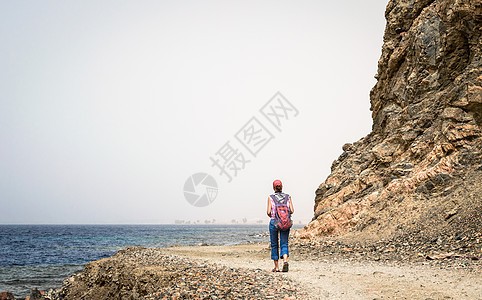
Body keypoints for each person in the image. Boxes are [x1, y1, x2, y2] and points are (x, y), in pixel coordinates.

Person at [267, 179, 294, 272]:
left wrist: (274, 216)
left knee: (274, 244)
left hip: (274, 222)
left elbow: (268, 212)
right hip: (285, 222)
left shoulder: (271, 197)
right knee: (284, 243)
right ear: (282, 187)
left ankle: (277, 267)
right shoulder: (288, 197)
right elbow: (292, 210)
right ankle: (285, 261)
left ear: (273, 187)